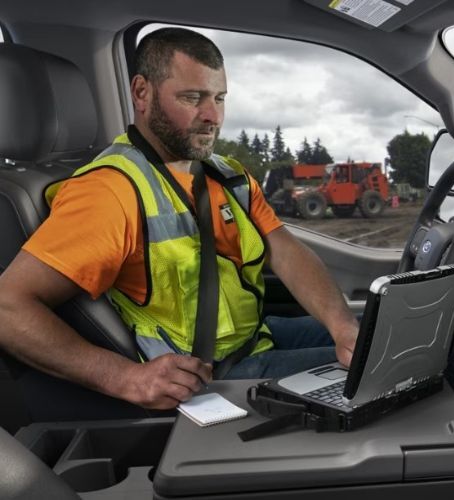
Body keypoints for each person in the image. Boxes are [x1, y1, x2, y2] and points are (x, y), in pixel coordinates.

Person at [0, 28, 359, 410]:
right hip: (211, 381)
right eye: (192, 98)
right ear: (142, 93)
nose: (212, 116)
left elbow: (284, 250)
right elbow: (8, 306)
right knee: (392, 371)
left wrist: (341, 326)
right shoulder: (110, 191)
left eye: (219, 98)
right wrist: (123, 377)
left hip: (254, 339)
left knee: (380, 340)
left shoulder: (227, 175)